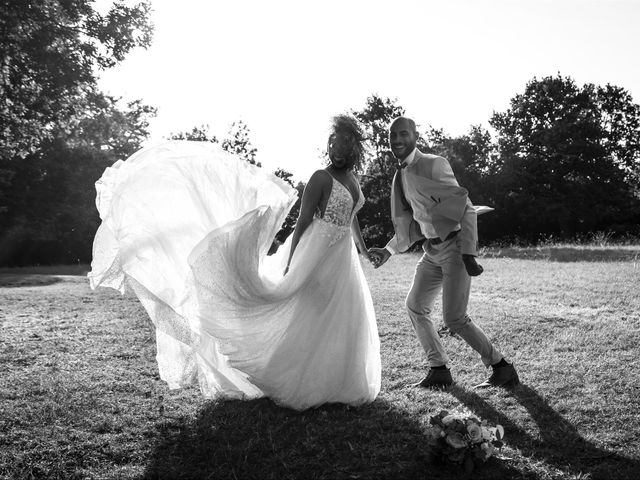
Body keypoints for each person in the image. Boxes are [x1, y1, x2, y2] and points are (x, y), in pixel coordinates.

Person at [88, 115, 381, 410]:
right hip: (317, 253)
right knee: (307, 310)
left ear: (355, 145)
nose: (336, 148)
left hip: (343, 258)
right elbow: (304, 221)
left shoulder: (354, 179)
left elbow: (352, 219)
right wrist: (293, 262)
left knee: (340, 313)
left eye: (343, 142)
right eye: (332, 142)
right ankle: (291, 374)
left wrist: (366, 252)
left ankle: (337, 380)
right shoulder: (321, 177)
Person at [368, 116, 519, 389]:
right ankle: (439, 369)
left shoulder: (434, 164)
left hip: (456, 248)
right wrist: (389, 250)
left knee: (454, 318)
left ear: (415, 136)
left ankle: (501, 367)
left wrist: (469, 254)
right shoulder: (400, 175)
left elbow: (466, 207)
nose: (397, 140)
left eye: (403, 134)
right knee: (415, 306)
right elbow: (417, 223)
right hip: (431, 251)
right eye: (393, 136)